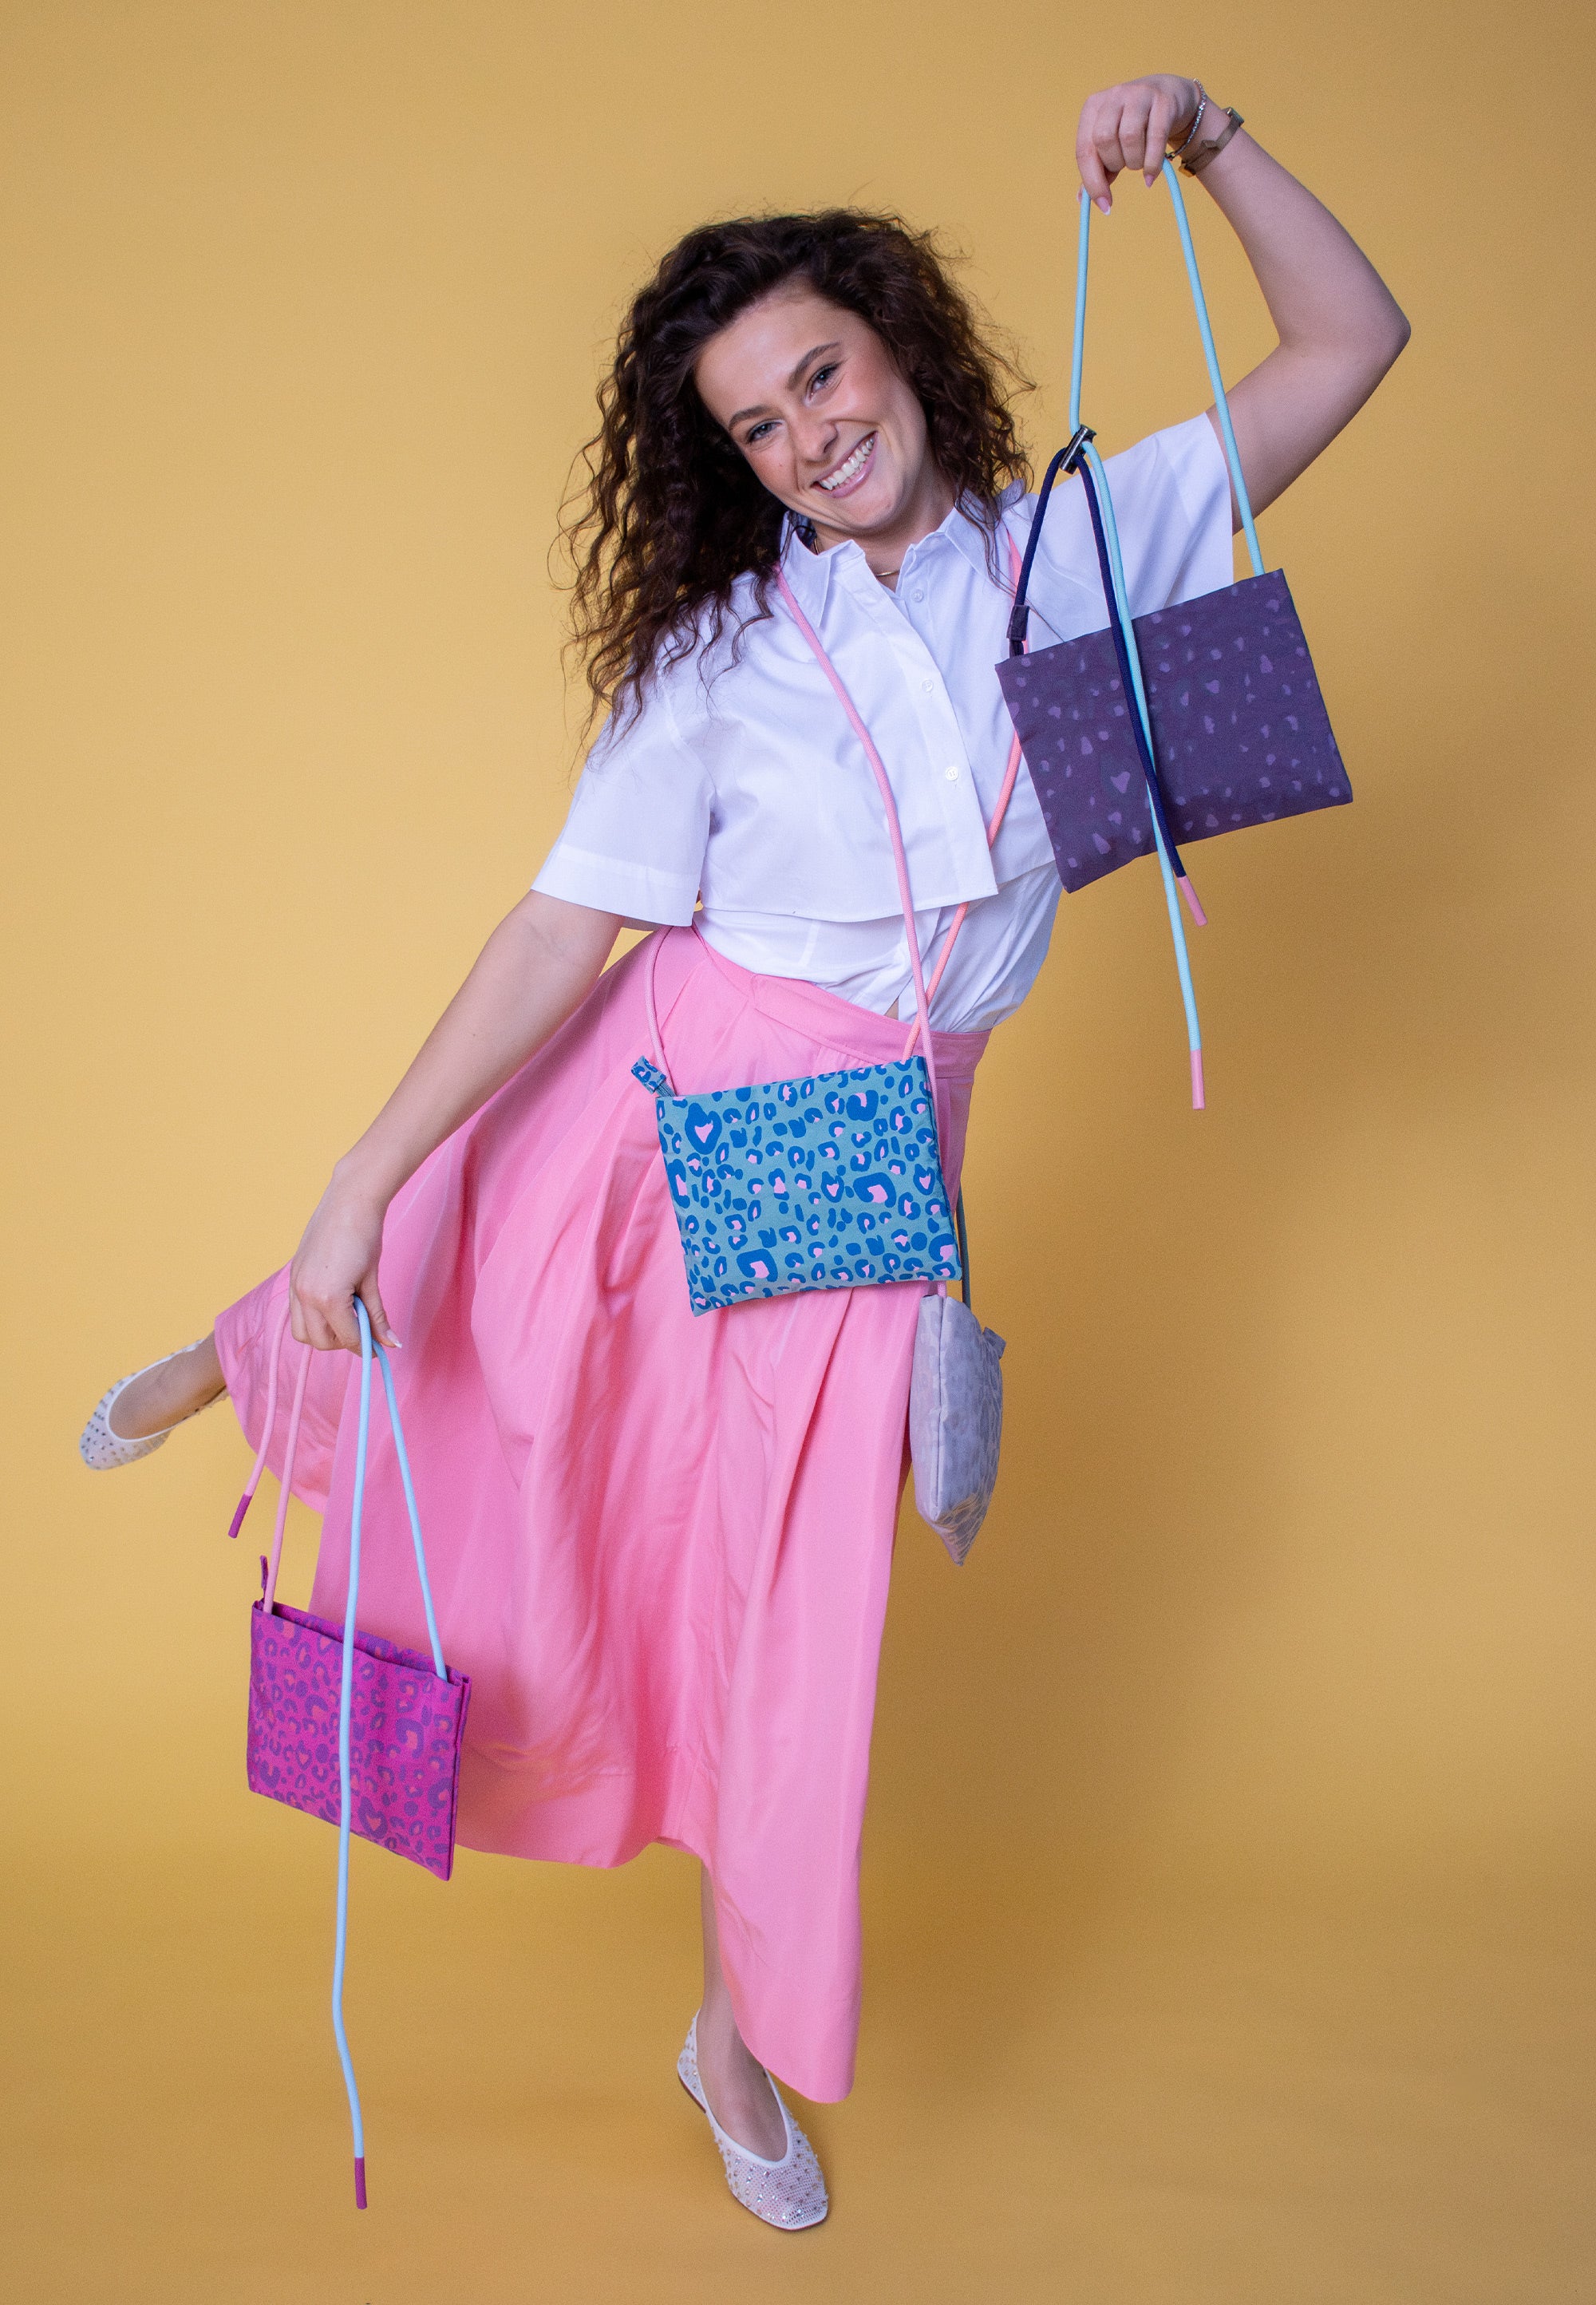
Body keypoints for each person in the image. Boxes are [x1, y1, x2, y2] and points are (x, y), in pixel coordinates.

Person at [78, 76, 1408, 2231]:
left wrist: (1220, 136)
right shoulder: (724, 657)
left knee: (789, 1628)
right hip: (678, 1087)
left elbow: (1352, 340)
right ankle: (263, 1332)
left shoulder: (1086, 547)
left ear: (901, 343)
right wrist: (351, 1178)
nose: (808, 435)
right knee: (494, 1371)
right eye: (760, 425)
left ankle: (730, 2042)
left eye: (824, 375)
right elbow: (562, 931)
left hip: (878, 1142)